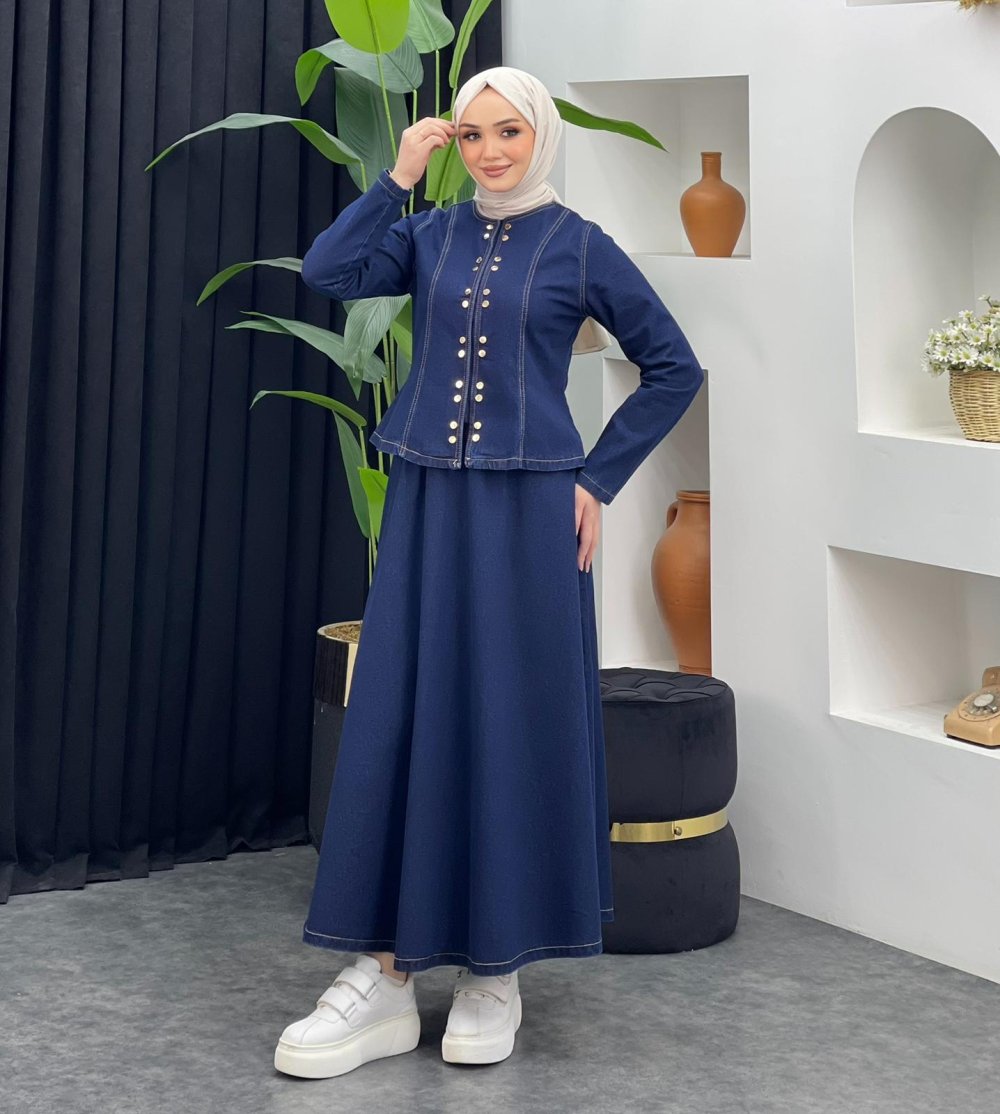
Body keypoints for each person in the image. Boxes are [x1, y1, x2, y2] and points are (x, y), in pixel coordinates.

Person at [273, 65, 704, 1079]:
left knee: (510, 716)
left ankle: (493, 971)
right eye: (471, 135)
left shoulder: (581, 246)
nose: (491, 151)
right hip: (429, 507)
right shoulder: (427, 233)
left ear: (540, 133)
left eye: (508, 131)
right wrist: (397, 175)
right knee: (406, 708)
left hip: (529, 518)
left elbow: (673, 366)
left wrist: (597, 477)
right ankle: (385, 976)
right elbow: (330, 271)